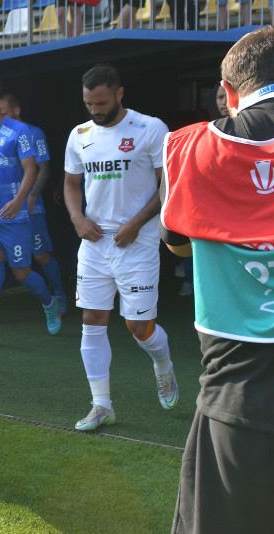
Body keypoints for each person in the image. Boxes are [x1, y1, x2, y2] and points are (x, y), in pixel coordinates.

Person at [161, 27, 274, 534]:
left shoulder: (188, 149)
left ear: (227, 91)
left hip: (242, 397)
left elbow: (178, 245)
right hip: (243, 390)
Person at [62, 64, 178, 432]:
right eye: (88, 103)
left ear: (119, 93)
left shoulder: (151, 128)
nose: (94, 110)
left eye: (101, 102)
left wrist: (135, 223)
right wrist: (78, 219)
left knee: (139, 326)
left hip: (137, 240)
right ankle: (101, 406)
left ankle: (163, 365)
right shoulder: (80, 135)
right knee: (92, 321)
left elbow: (168, 186)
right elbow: (70, 184)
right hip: (94, 242)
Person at [0, 82, 59, 344]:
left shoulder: (19, 131)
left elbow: (31, 169)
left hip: (14, 215)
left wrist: (20, 200)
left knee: (21, 273)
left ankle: (49, 303)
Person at [2, 91, 67, 314]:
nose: (0, 117)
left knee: (40, 254)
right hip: (3, 210)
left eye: (4, 112)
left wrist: (30, 198)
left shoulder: (33, 133)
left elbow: (43, 170)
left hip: (31, 207)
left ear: (16, 111)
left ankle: (59, 294)